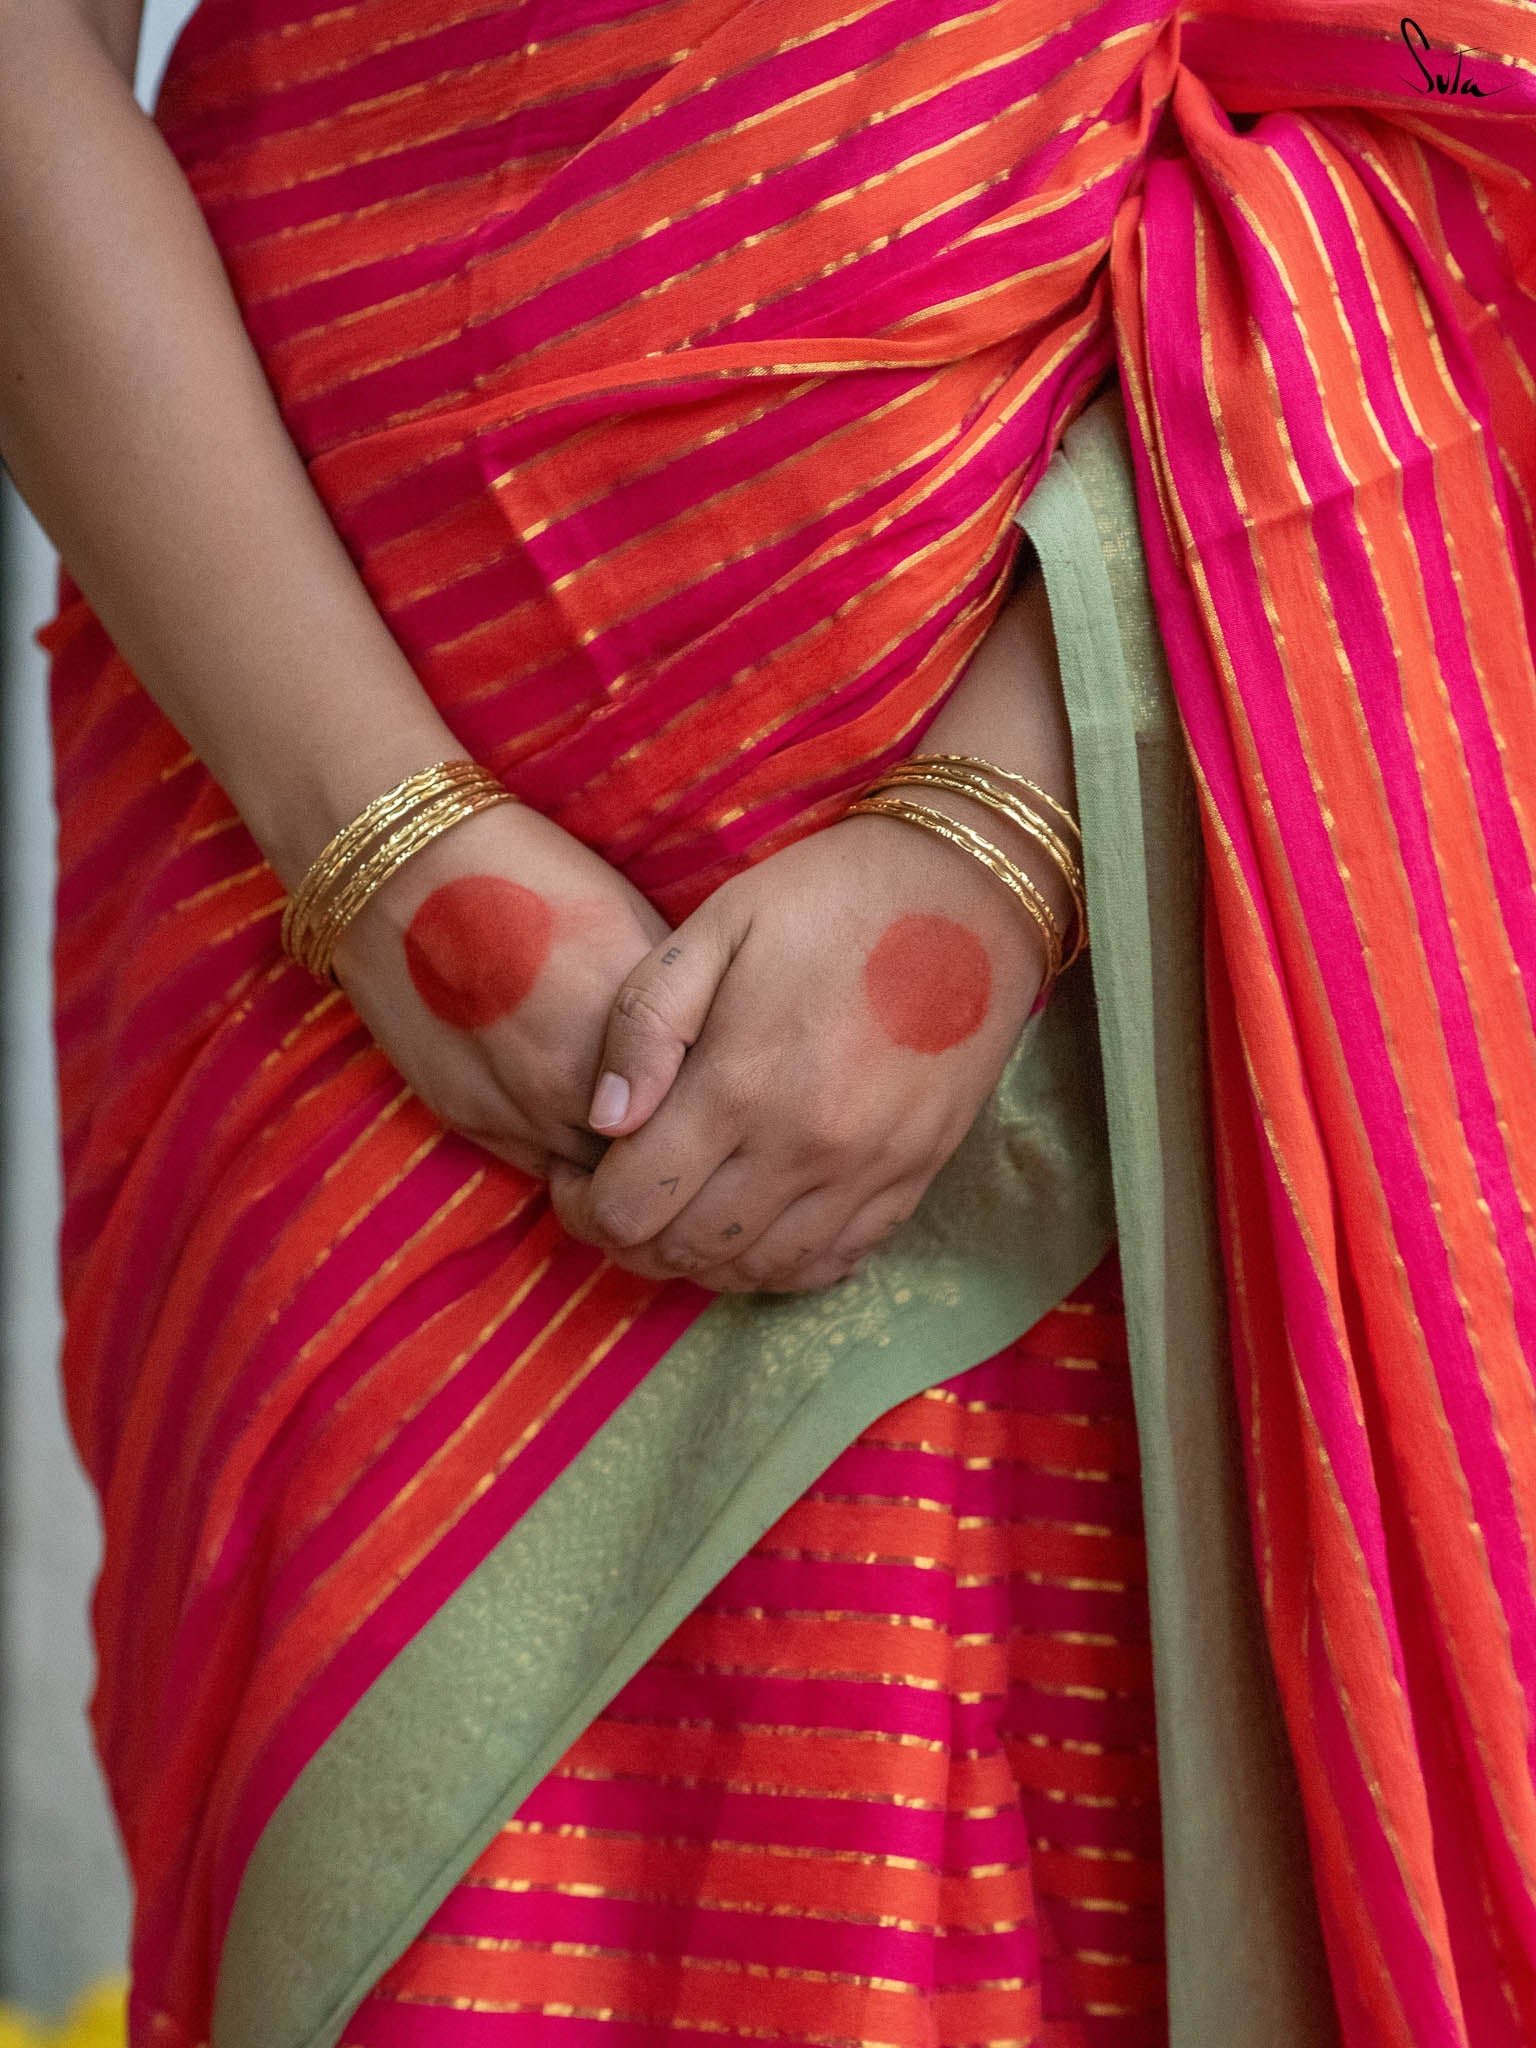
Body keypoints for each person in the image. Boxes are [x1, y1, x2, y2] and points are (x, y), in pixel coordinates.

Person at [1, 3, 1532, 2047]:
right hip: (286, 743)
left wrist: (1016, 829)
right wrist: (373, 835)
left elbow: (1437, 76)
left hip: (1168, 727)